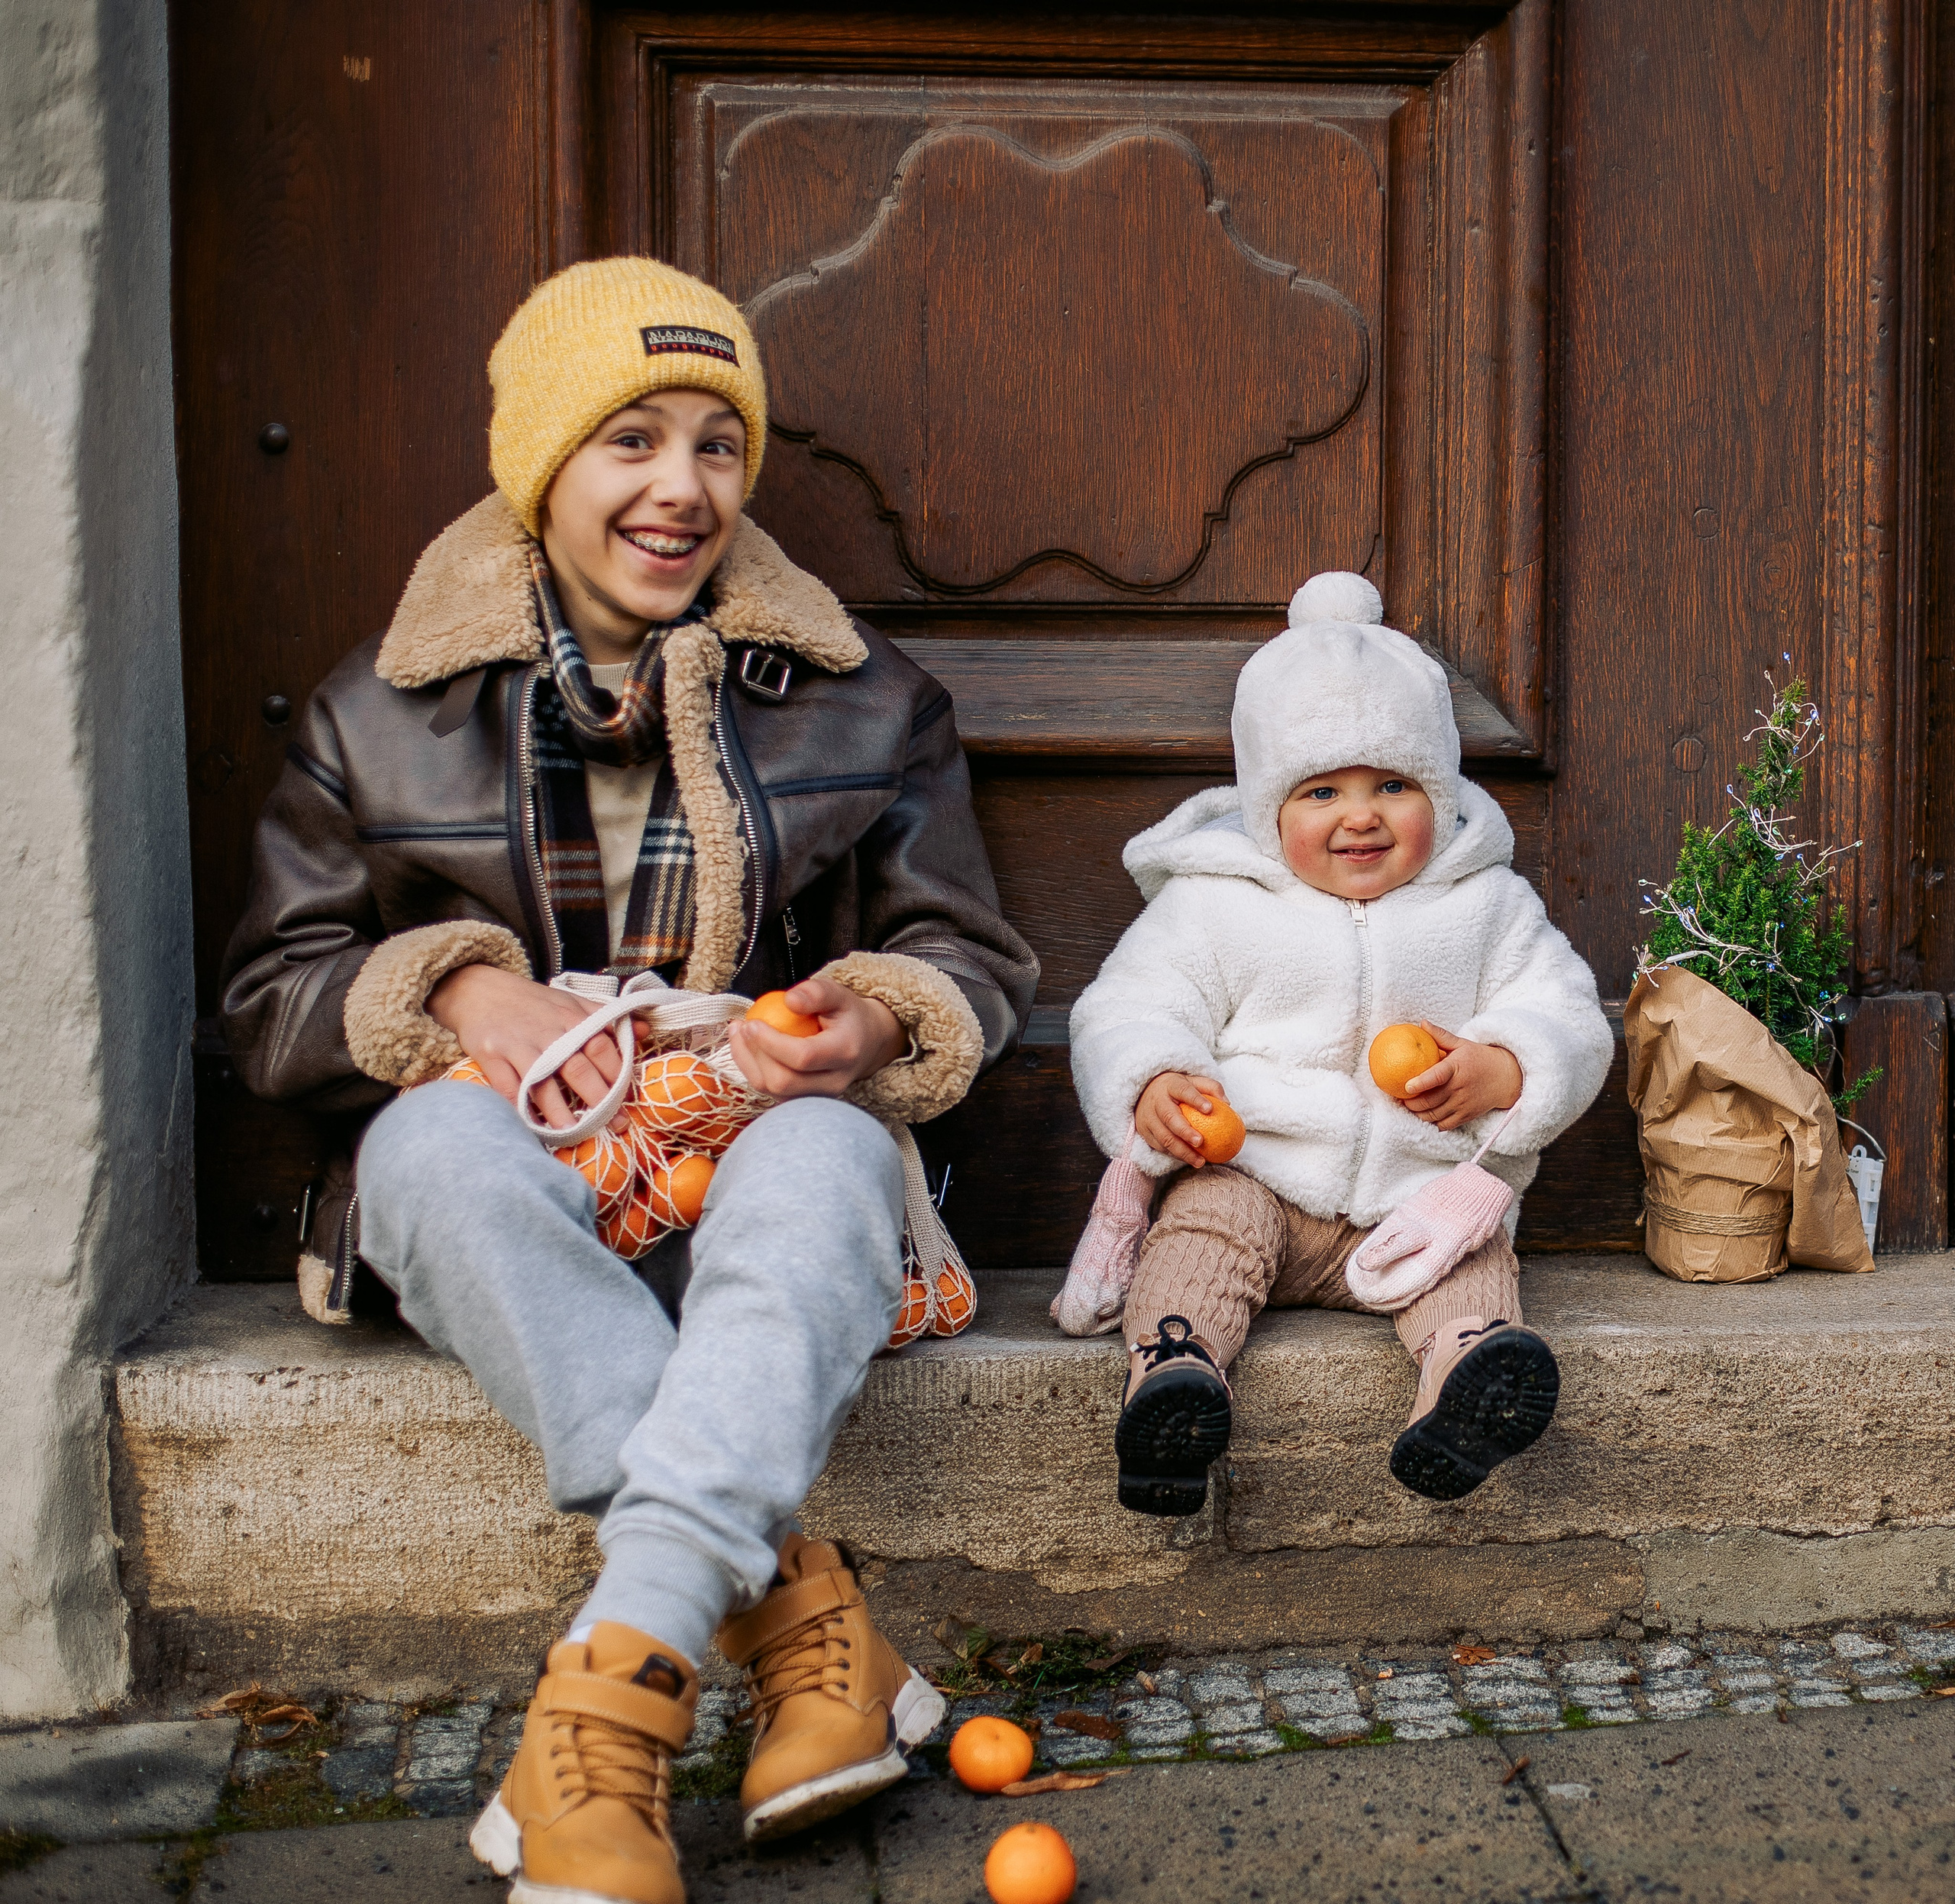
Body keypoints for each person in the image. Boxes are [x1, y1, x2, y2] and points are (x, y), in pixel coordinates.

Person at [220, 257, 1036, 1904]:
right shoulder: (376, 710)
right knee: (426, 1149)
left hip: (748, 1167)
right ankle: (799, 1624)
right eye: (632, 440)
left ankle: (605, 1713)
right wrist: (460, 987)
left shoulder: (865, 696)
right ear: (543, 463)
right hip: (518, 1197)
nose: (682, 489)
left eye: (718, 445)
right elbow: (269, 998)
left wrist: (869, 1023)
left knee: (826, 1149)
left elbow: (967, 957)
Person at [1067, 571, 1611, 1517]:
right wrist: (1152, 1079)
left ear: (1437, 791)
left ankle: (1465, 1382)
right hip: (1259, 1175)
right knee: (1201, 1231)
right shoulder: (1214, 904)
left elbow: (1565, 1011)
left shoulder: (1486, 903)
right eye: (1322, 790)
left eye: (1393, 785)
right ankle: (1175, 1375)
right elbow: (1131, 1003)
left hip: (1416, 1196)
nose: (1361, 815)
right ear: (1269, 809)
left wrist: (1508, 1066)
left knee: (1472, 1258)